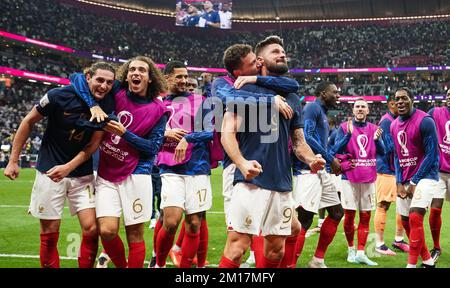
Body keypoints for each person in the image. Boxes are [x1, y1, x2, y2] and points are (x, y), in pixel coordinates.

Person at [218, 36, 325, 268]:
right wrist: (241, 162)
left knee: (276, 250)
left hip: (282, 182)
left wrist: (311, 159)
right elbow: (227, 132)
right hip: (251, 179)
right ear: (259, 60)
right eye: (275, 51)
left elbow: (298, 142)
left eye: (283, 52)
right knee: (236, 248)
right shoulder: (244, 89)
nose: (282, 55)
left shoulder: (293, 98)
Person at [4, 62, 116, 268]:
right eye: (100, 80)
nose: (104, 86)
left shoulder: (108, 104)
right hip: (49, 171)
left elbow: (93, 144)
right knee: (49, 231)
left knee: (92, 229)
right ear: (88, 77)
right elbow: (28, 121)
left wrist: (68, 167)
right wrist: (13, 160)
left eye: (109, 82)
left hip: (81, 174)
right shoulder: (58, 95)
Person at [70, 56, 168, 268]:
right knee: (106, 230)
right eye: (132, 69)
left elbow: (153, 148)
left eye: (142, 70)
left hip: (138, 173)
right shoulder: (117, 91)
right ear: (127, 73)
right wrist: (92, 105)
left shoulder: (159, 110)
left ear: (150, 78)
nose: (136, 73)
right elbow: (77, 78)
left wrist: (125, 134)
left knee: (135, 234)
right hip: (107, 172)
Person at [153, 61, 215, 268]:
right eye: (179, 76)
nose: (184, 80)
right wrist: (165, 133)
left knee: (195, 224)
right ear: (167, 78)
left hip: (197, 167)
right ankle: (159, 263)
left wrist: (188, 138)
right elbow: (145, 132)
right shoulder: (158, 103)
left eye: (186, 76)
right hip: (170, 168)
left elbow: (209, 131)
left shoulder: (201, 101)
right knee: (170, 222)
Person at [291, 81, 345, 268]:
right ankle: (290, 263)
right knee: (304, 220)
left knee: (337, 212)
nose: (338, 96)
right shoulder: (312, 108)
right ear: (323, 93)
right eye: (335, 92)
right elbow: (307, 136)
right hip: (307, 171)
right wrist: (331, 159)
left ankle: (317, 260)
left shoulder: (321, 112)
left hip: (320, 171)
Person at [391, 87, 439, 268]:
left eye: (404, 98)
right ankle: (427, 261)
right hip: (405, 177)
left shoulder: (425, 120)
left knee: (415, 218)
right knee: (406, 223)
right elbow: (396, 155)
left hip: (426, 176)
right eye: (397, 99)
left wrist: (414, 181)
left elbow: (432, 154)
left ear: (412, 100)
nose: (400, 102)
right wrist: (398, 182)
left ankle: (410, 265)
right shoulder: (395, 125)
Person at [334, 98, 386, 266]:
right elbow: (335, 150)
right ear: (353, 110)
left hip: (369, 177)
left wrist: (378, 140)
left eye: (363, 106)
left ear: (368, 111)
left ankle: (361, 253)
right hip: (349, 177)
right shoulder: (344, 128)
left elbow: (384, 152)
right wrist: (348, 135)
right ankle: (351, 250)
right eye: (357, 106)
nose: (360, 109)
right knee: (349, 215)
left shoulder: (375, 129)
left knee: (365, 216)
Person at [374, 95, 409, 256]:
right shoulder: (387, 121)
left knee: (402, 205)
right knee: (383, 204)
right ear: (390, 104)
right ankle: (379, 243)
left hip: (398, 169)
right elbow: (388, 148)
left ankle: (398, 240)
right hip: (386, 169)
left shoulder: (397, 120)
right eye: (397, 103)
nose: (401, 105)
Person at [427, 87, 450, 262]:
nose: (449, 97)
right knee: (435, 208)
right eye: (448, 94)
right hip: (439, 171)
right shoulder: (435, 112)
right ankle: (436, 247)